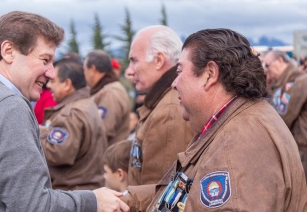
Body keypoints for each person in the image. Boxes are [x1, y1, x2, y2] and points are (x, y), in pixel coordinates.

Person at [0, 11, 129, 212]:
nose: (51, 73)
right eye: (45, 60)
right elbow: (32, 205)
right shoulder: (7, 105)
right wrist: (93, 201)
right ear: (8, 51)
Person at [122, 28, 307, 211]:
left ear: (209, 74)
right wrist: (122, 201)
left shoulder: (239, 143)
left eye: (180, 71)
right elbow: (183, 194)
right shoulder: (232, 124)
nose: (174, 83)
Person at [124, 25, 195, 186]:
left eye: (134, 61)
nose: (129, 71)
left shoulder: (169, 111)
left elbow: (159, 191)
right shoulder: (163, 103)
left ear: (158, 60)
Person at [39, 58, 107, 190]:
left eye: (53, 81)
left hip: (72, 192)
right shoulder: (87, 104)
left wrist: (38, 134)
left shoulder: (70, 114)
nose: (48, 86)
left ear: (67, 84)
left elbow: (58, 153)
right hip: (86, 189)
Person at [263, 50, 307, 180]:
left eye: (267, 64)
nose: (265, 69)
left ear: (280, 61)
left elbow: (283, 119)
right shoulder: (282, 82)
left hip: (301, 149)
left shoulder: (298, 81)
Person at [83, 50, 131, 146]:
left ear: (92, 69)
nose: (84, 74)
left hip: (108, 157)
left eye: (84, 70)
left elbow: (102, 131)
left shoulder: (110, 93)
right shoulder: (105, 89)